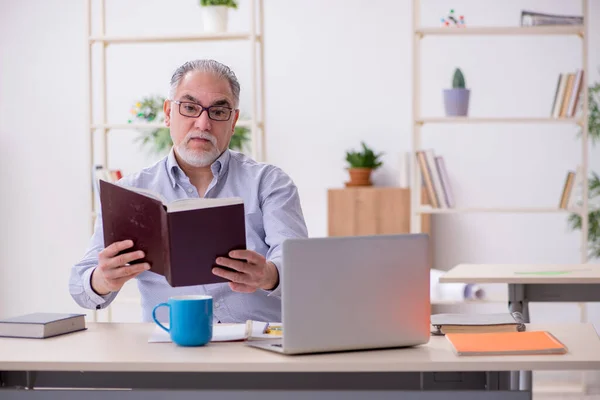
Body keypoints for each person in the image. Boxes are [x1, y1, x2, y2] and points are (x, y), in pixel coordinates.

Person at [69, 59, 308, 323]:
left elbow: (300, 268)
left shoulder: (269, 183)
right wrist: (103, 279)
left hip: (257, 350)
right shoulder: (130, 193)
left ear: (234, 120)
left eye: (218, 112)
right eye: (190, 107)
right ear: (168, 113)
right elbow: (80, 287)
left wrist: (270, 275)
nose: (203, 124)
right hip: (170, 348)